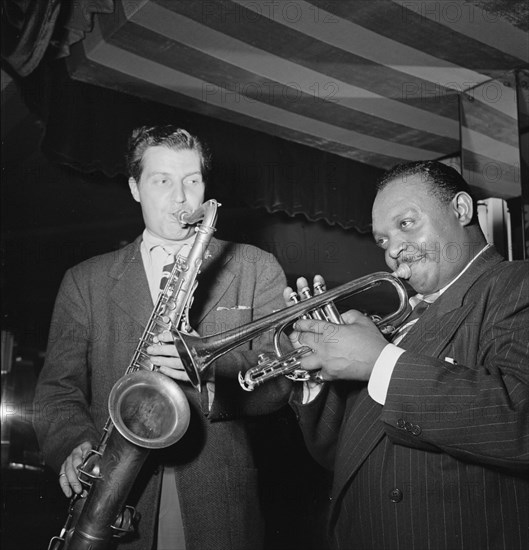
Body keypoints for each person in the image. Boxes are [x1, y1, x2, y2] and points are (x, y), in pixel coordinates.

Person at [33, 125, 293, 550]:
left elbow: (279, 381)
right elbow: (57, 391)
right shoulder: (84, 281)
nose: (181, 198)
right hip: (114, 492)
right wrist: (74, 446)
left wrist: (209, 375)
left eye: (192, 181)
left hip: (218, 502)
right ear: (135, 187)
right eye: (162, 181)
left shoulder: (254, 266)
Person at [287, 161, 529, 549]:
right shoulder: (394, 322)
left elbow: (521, 422)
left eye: (406, 224)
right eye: (382, 240)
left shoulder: (515, 285)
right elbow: (337, 454)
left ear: (461, 209)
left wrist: (381, 363)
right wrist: (320, 372)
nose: (393, 250)